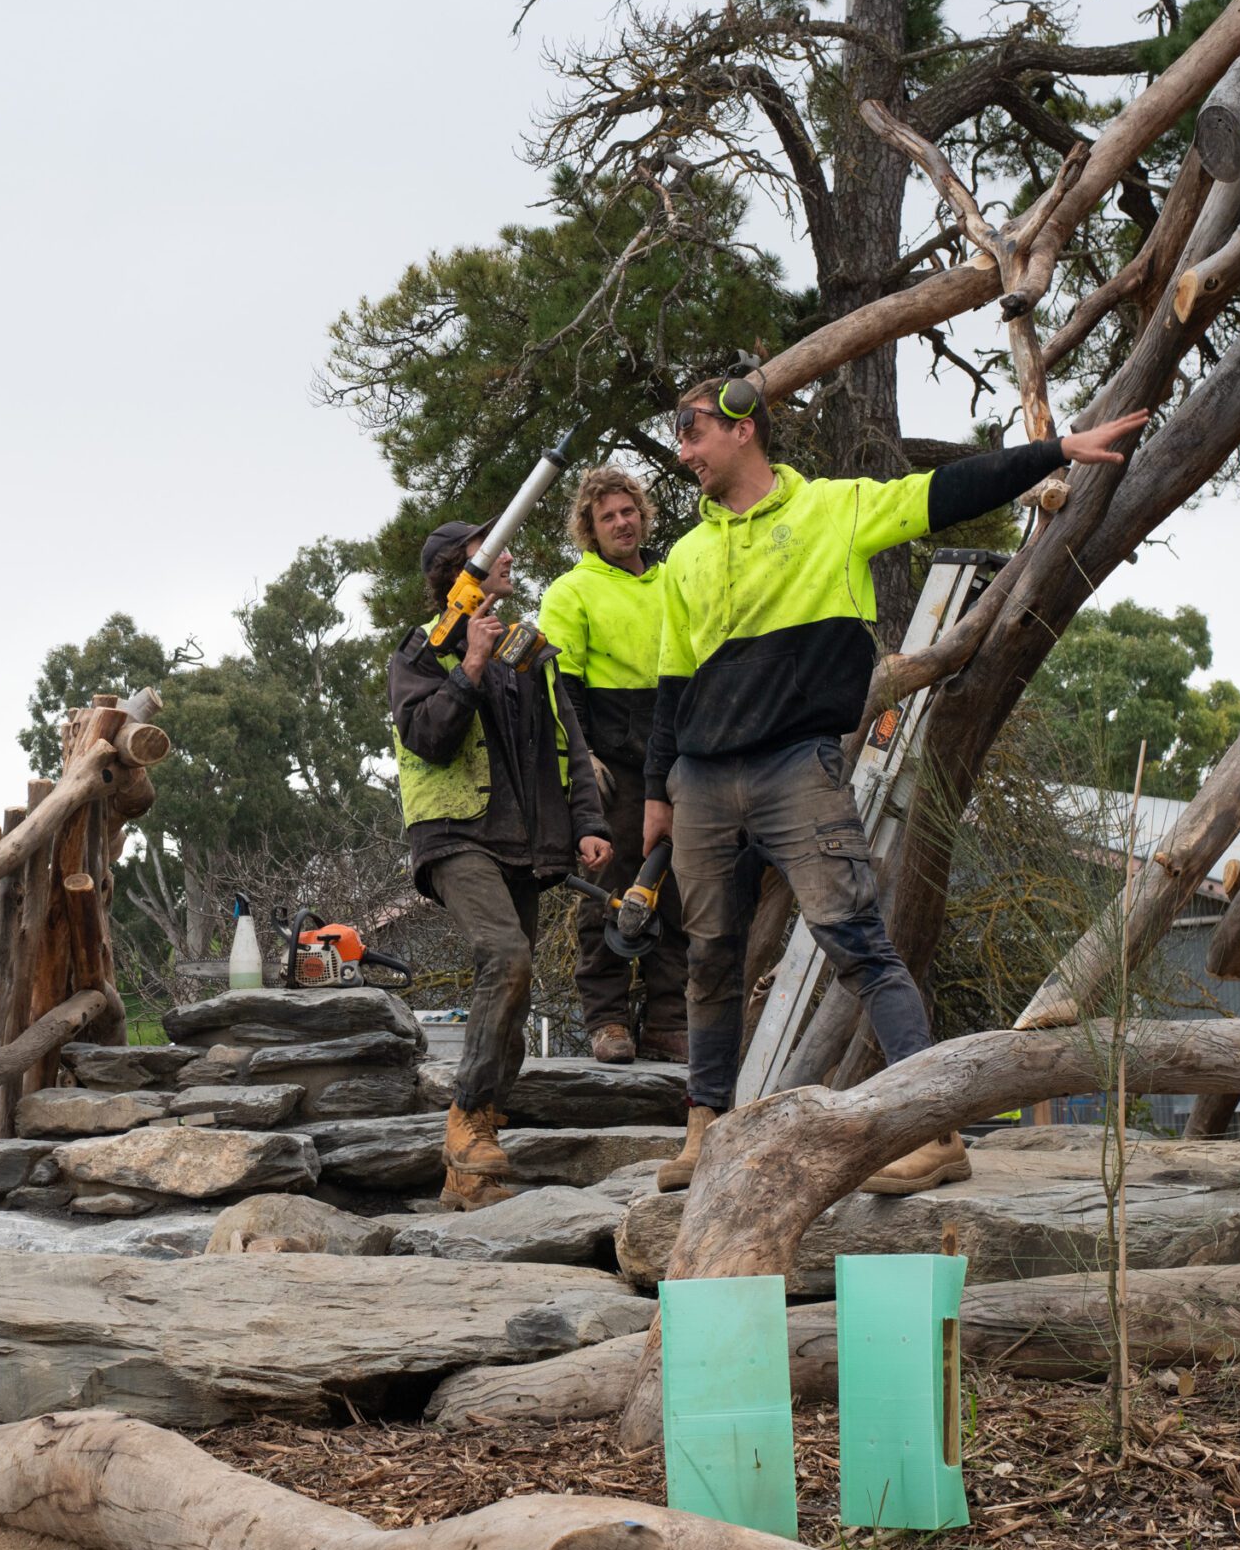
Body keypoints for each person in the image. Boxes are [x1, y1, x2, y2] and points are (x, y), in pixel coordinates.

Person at [646, 384, 1151, 1194]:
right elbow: (671, 684)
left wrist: (1055, 451)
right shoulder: (686, 555)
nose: (682, 451)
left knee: (855, 941)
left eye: (692, 430)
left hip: (796, 764)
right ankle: (705, 1129)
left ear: (743, 427)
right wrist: (656, 793)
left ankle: (933, 1129)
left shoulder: (835, 510)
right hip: (702, 778)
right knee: (708, 956)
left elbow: (945, 492)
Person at [390, 522, 612, 1209]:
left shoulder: (529, 649)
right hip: (455, 834)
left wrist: (589, 823)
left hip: (525, 843)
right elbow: (426, 737)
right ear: (460, 571)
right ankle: (466, 1116)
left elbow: (570, 742)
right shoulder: (423, 650)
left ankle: (469, 1173)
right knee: (505, 957)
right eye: (492, 549)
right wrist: (471, 666)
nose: (511, 553)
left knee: (514, 996)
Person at [536, 465, 690, 1065]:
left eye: (629, 512)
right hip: (613, 765)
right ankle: (607, 1021)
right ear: (590, 528)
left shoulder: (673, 579)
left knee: (677, 892)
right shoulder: (571, 591)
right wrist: (583, 759)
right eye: (608, 517)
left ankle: (670, 1020)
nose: (622, 523)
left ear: (642, 516)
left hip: (676, 758)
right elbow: (559, 687)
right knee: (611, 890)